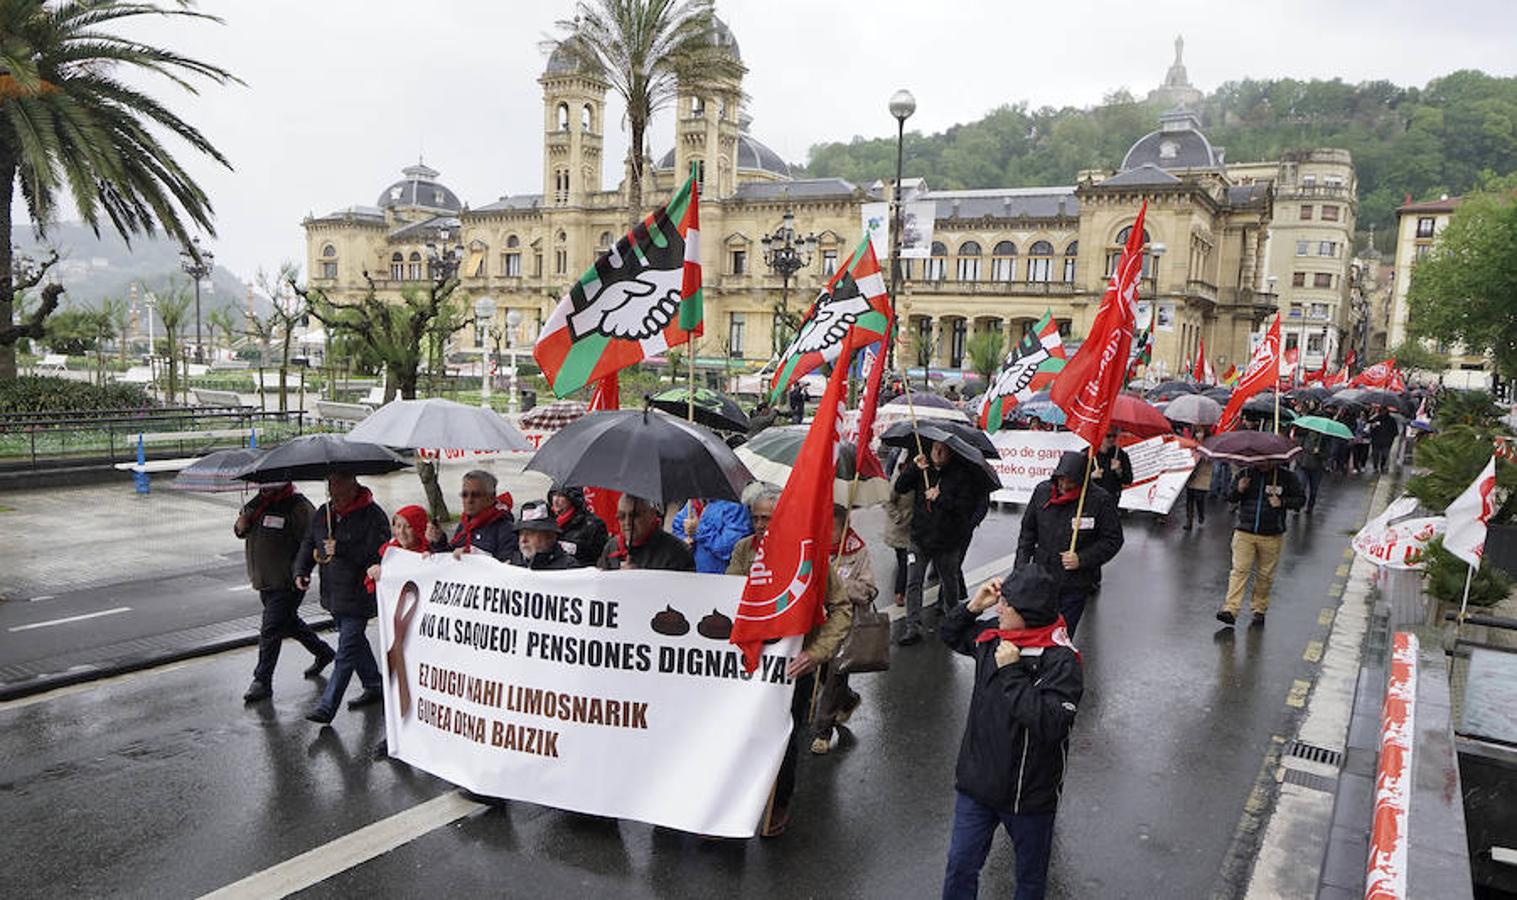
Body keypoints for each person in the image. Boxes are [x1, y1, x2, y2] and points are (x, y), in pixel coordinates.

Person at [939, 565, 1083, 900]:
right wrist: (973, 606)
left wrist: (1013, 673)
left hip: (1028, 795)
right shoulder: (994, 636)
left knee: (1029, 880)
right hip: (976, 785)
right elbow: (949, 634)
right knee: (960, 865)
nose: (999, 609)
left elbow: (1051, 724)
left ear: (1030, 614)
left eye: (1007, 605)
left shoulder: (1063, 661)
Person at [727, 483, 852, 837]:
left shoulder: (807, 556)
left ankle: (778, 802)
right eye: (756, 518)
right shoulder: (742, 551)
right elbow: (728, 598)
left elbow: (842, 609)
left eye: (768, 518)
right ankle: (736, 800)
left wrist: (817, 653)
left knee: (785, 736)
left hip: (793, 667)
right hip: (747, 666)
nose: (761, 526)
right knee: (740, 732)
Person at [295, 472, 391, 725]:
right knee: (354, 642)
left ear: (352, 485)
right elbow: (309, 543)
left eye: (336, 484)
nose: (331, 490)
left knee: (346, 650)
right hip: (334, 593)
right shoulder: (324, 513)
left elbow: (379, 553)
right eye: (329, 485)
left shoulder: (373, 515)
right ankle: (374, 684)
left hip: (359, 593)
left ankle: (327, 706)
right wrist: (301, 570)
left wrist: (343, 548)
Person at [235, 482, 332, 703]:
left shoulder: (298, 507)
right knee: (289, 623)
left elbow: (311, 542)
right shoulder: (257, 503)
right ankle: (323, 652)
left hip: (288, 582)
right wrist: (241, 526)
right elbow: (242, 530)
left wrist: (303, 570)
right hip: (265, 580)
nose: (265, 487)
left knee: (270, 629)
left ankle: (262, 681)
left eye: (270, 483)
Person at [1016, 451, 1124, 636]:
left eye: (1071, 481)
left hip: (1074, 584)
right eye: (1061, 480)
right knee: (1035, 633)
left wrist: (1082, 559)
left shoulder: (1099, 500)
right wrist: (1021, 568)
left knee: (1061, 636)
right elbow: (1028, 532)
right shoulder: (1042, 492)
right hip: (1042, 578)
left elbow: (1113, 539)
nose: (1064, 486)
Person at [895, 439, 981, 645]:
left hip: (946, 541)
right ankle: (912, 627)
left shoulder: (960, 475)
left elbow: (964, 509)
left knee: (950, 582)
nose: (938, 453)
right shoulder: (922, 469)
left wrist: (940, 498)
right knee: (914, 582)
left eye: (943, 450)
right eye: (935, 449)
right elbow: (900, 487)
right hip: (920, 538)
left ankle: (954, 620)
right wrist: (913, 469)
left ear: (951, 453)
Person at [811, 504, 879, 755]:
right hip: (816, 623)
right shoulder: (813, 548)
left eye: (833, 528)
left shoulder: (857, 551)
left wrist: (838, 585)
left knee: (834, 676)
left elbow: (869, 589)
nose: (828, 532)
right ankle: (849, 699)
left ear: (844, 527)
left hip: (844, 624)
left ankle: (823, 731)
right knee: (817, 674)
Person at [1216, 460, 1306, 626]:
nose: (1263, 463)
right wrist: (1239, 489)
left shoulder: (1286, 477)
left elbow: (1300, 500)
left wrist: (1282, 502)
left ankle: (1259, 609)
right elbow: (1230, 497)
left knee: (1265, 575)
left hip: (1271, 533)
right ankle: (1230, 609)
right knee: (1239, 571)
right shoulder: (1245, 474)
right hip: (1244, 531)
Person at [427, 469, 515, 561]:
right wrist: (438, 541)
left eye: (476, 495)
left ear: (491, 498)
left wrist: (476, 556)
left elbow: (507, 567)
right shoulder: (465, 523)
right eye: (465, 495)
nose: (469, 500)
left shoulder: (505, 528)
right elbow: (450, 560)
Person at [597, 495, 695, 571]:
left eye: (635, 516)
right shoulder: (612, 547)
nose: (627, 523)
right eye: (621, 516)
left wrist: (641, 577)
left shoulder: (677, 552)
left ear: (652, 515)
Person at [672, 498, 752, 574]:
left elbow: (728, 548)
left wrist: (699, 530)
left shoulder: (735, 507)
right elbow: (677, 527)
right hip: (691, 575)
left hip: (720, 577)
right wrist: (683, 542)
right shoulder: (692, 503)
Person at [364, 504, 430, 593]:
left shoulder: (430, 553)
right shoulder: (387, 552)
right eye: (398, 526)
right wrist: (374, 572)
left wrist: (431, 562)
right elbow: (372, 588)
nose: (401, 532)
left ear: (419, 528)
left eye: (408, 527)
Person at [507, 501, 582, 570]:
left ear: (549, 536)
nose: (523, 540)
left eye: (530, 533)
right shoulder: (512, 565)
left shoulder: (569, 569)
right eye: (521, 533)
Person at [547, 486, 608, 565]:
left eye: (561, 495)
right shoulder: (547, 523)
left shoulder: (594, 525)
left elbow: (598, 558)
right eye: (554, 494)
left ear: (573, 499)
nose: (555, 500)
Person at [883, 460, 914, 608]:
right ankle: (899, 592)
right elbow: (887, 501)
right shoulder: (899, 480)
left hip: (913, 529)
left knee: (906, 562)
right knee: (904, 561)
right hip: (900, 529)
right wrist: (898, 517)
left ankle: (901, 591)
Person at [1090, 428, 1133, 503]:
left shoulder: (1120, 454)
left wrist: (1119, 471)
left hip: (1113, 500)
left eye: (1114, 436)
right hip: (1093, 500)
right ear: (1100, 435)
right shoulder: (1088, 454)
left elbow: (1128, 480)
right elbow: (1078, 480)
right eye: (1108, 436)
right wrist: (1091, 476)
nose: (1112, 439)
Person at [1293, 426, 1328, 514]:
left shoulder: (1323, 440)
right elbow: (1297, 449)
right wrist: (1299, 460)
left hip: (1316, 468)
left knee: (1314, 490)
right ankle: (1298, 505)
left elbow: (1327, 455)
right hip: (1303, 466)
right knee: (1301, 486)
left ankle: (1310, 507)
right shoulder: (1304, 436)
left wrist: (1319, 453)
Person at [1183, 432, 1214, 531]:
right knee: (1189, 499)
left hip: (1203, 476)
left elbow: (1211, 459)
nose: (1199, 434)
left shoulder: (1210, 446)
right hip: (1191, 475)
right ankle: (1189, 521)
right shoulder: (1191, 444)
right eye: (1197, 432)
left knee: (1199, 498)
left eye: (1200, 432)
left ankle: (1201, 514)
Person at [1368, 406, 1398, 473]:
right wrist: (1372, 427)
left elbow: (1395, 431)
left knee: (1385, 454)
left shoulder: (1391, 420)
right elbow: (1369, 428)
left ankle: (1382, 466)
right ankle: (1375, 467)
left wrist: (1390, 438)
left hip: (1386, 441)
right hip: (1376, 440)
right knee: (1375, 454)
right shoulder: (1375, 418)